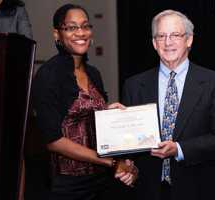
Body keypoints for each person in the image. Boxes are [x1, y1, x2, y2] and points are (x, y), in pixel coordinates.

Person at [122, 9, 215, 200]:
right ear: (154, 43)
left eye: (175, 35)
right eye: (161, 36)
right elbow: (129, 143)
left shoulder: (214, 82)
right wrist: (118, 123)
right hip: (148, 190)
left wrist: (179, 149)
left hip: (198, 188)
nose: (168, 42)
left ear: (189, 40)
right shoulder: (134, 85)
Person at [32, 4, 137, 200]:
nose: (80, 32)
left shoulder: (93, 73)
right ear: (57, 34)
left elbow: (85, 120)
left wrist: (107, 112)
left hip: (100, 181)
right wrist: (110, 163)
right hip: (66, 186)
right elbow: (53, 141)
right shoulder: (48, 75)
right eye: (71, 27)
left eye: (85, 26)